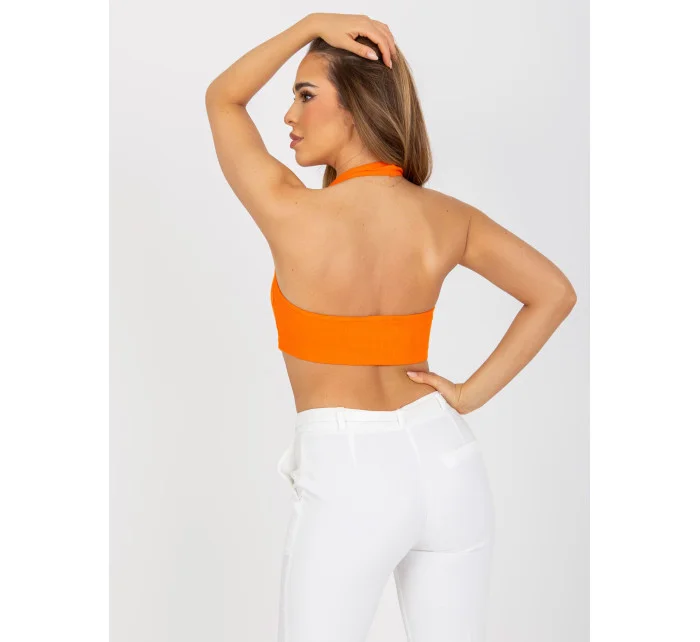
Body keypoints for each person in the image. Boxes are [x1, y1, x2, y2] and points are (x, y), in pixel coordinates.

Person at [205, 12, 577, 642]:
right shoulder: (447, 217)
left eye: (305, 95)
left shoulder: (291, 210)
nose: (289, 116)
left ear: (355, 107)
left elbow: (222, 98)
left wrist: (310, 24)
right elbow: (554, 293)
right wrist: (467, 397)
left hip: (349, 470)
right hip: (448, 462)